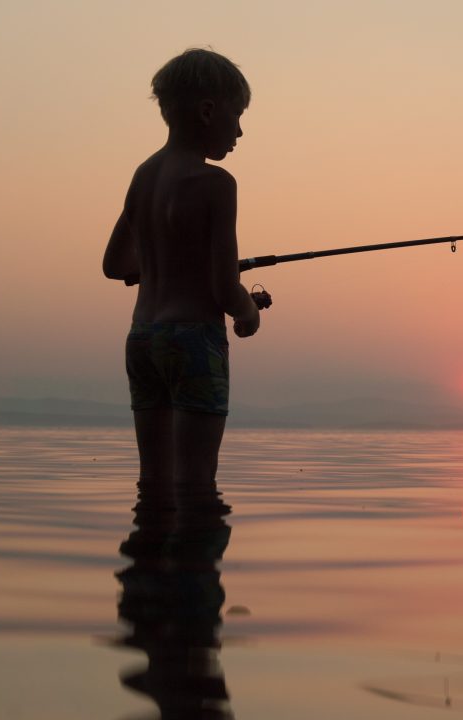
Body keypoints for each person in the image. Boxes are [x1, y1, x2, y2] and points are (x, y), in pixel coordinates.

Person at [103, 48, 270, 514]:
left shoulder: (144, 175)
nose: (239, 131)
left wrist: (163, 263)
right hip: (194, 342)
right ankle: (193, 581)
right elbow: (223, 288)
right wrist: (248, 311)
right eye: (236, 117)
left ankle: (145, 580)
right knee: (196, 487)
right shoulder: (217, 184)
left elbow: (115, 264)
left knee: (154, 484)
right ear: (208, 110)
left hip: (143, 340)